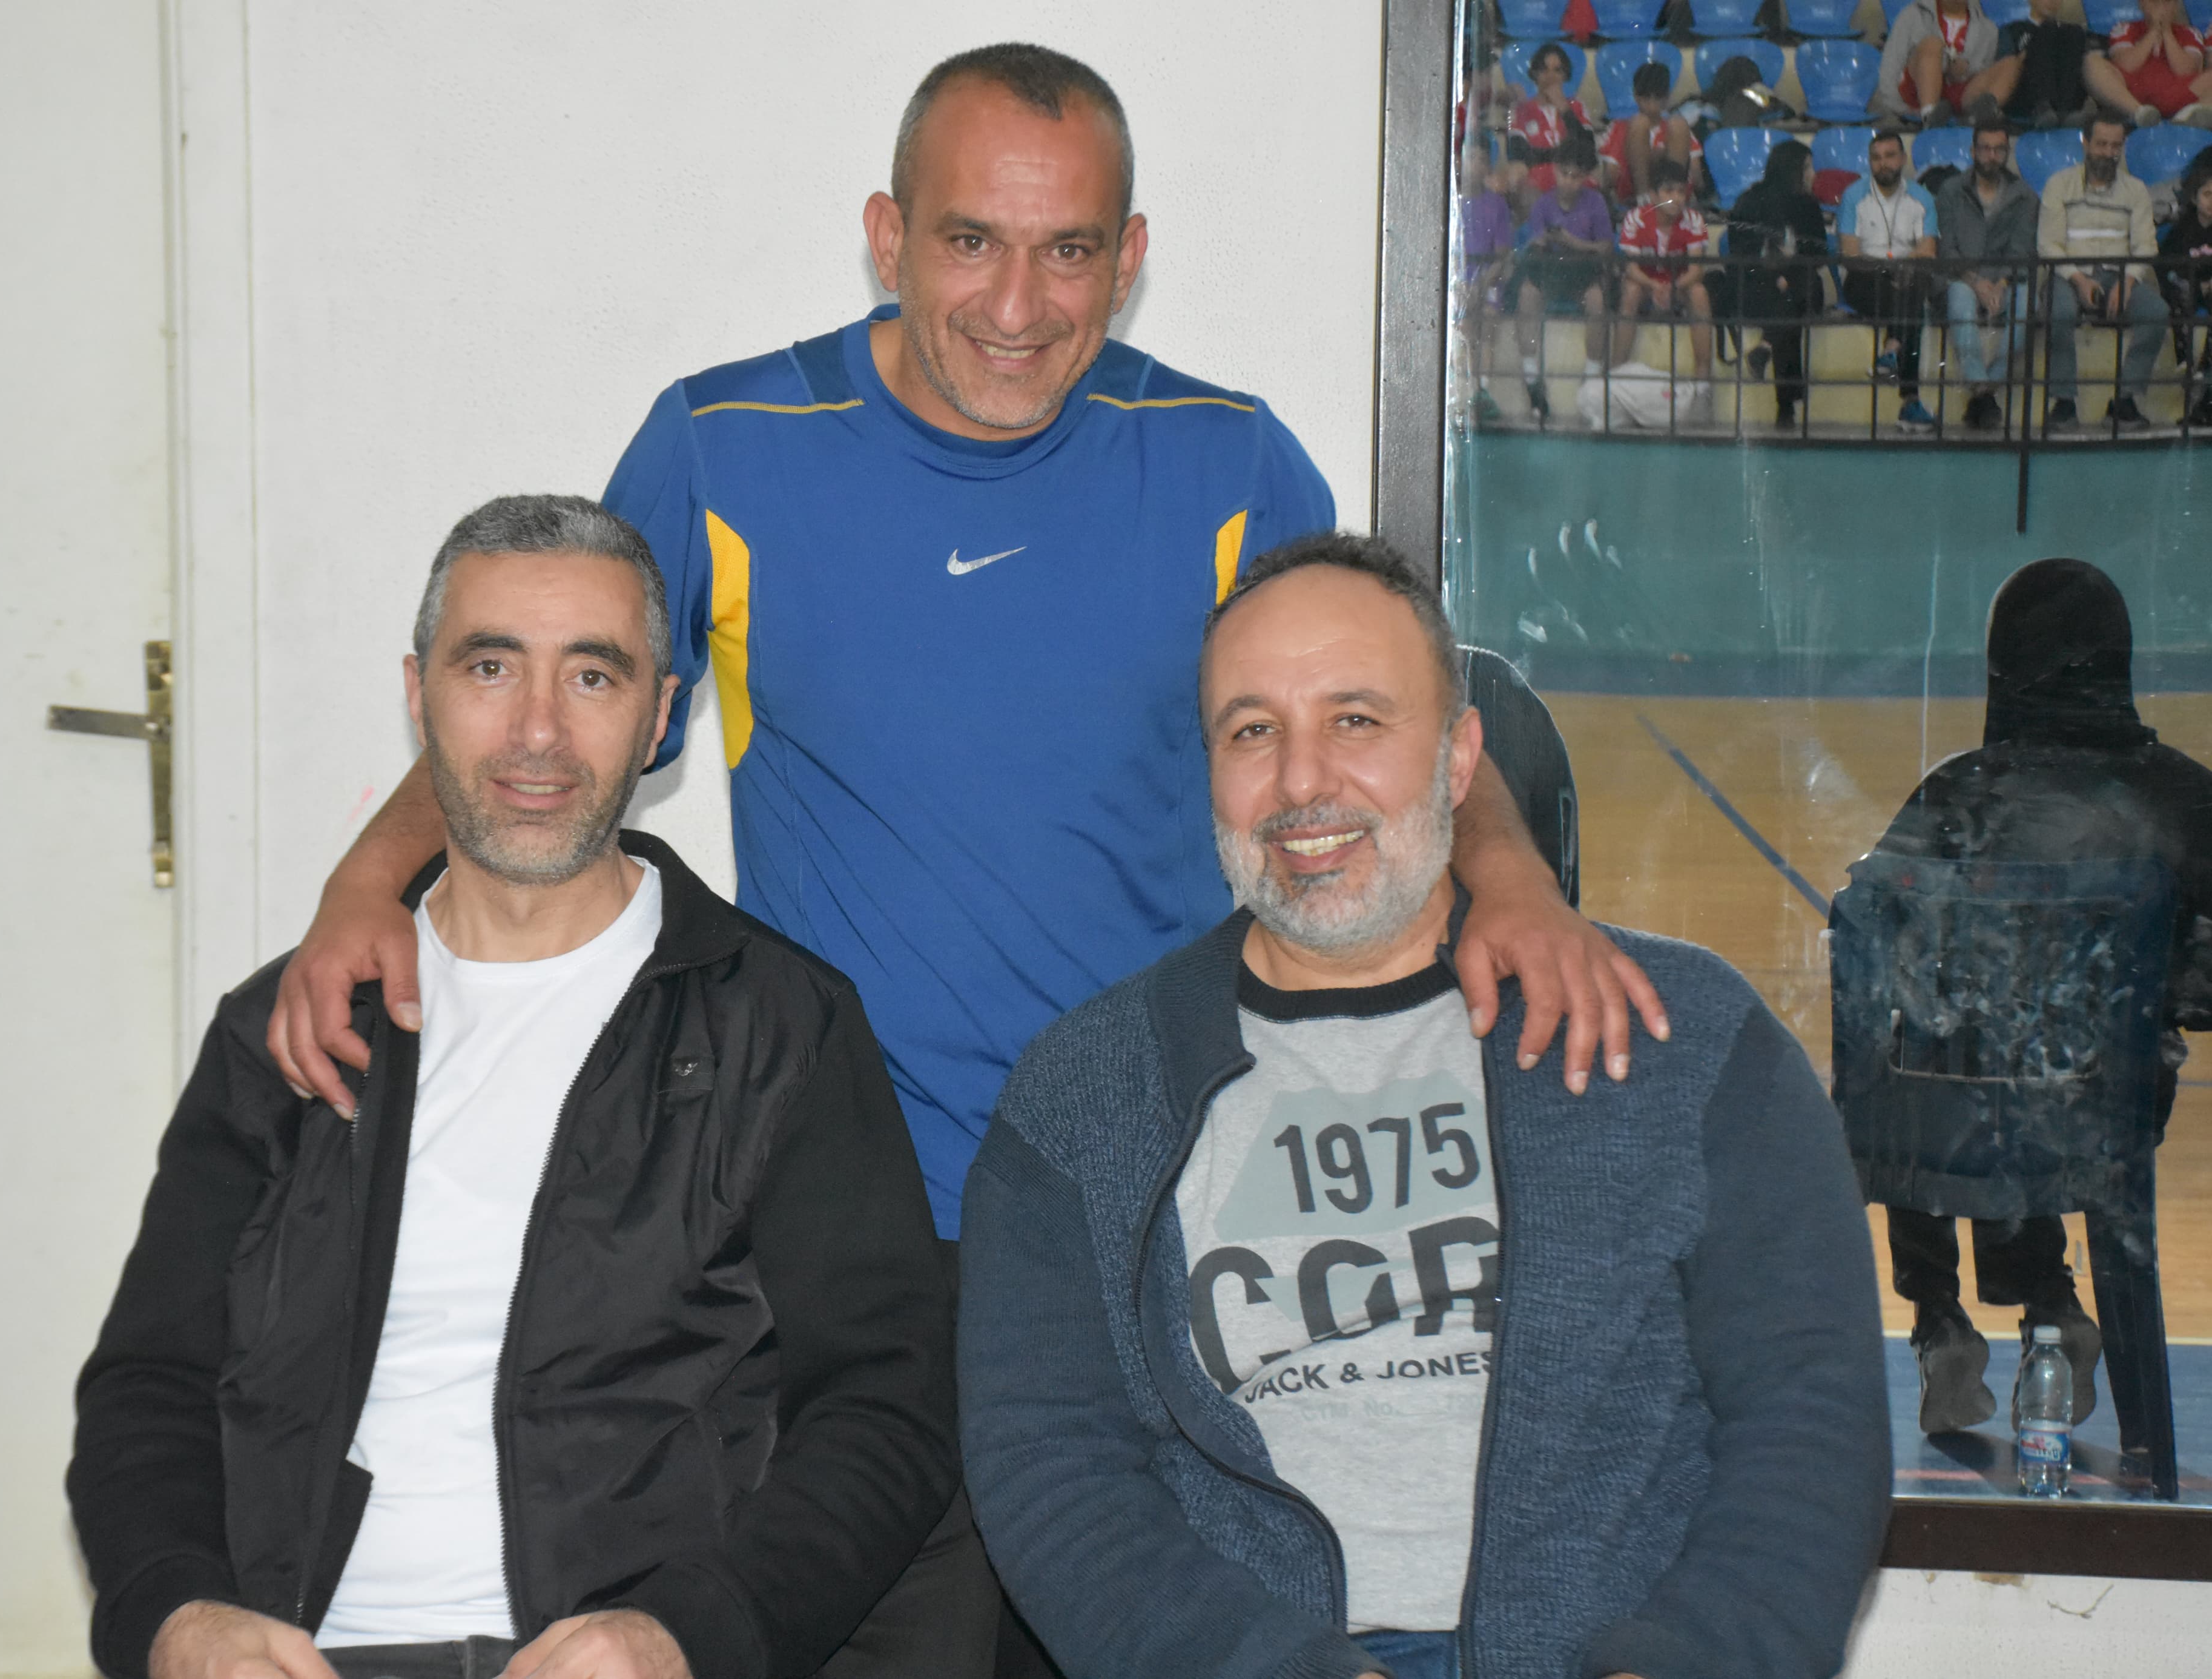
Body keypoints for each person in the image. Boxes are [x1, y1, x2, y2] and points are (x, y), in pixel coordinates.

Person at [266, 45, 1665, 1676]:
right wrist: (363, 886)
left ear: (1128, 260)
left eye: (1067, 250)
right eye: (970, 242)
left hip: (1171, 1216)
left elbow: (1394, 718)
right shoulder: (723, 448)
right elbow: (545, 727)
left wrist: (1519, 886)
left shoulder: (1227, 463)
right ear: (888, 237)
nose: (1017, 303)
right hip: (862, 1238)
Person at [69, 496, 980, 1679]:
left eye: (592, 677)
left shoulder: (779, 1025)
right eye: (490, 667)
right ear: (420, 695)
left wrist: (686, 1635)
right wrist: (178, 1617)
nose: (538, 732)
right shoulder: (289, 1028)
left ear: (660, 716)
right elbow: (151, 1382)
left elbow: (885, 1408)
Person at [958, 532, 1890, 1679]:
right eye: (1252, 731)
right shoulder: (1084, 1097)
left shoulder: (1681, 1036)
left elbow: (1810, 1413)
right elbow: (1053, 1473)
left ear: (1457, 760)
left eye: (1355, 719)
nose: (1302, 783)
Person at [1860, 557, 2212, 1437]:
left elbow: (1872, 936)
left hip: (1947, 1116)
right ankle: (2049, 1307)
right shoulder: (2186, 795)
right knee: (2034, 1078)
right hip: (2107, 1109)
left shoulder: (1959, 788)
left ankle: (1941, 1318)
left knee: (1944, 1058)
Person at [2038, 112, 2172, 432]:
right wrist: (2078, 279)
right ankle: (2064, 402)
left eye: (2116, 146)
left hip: (2118, 274)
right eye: (2101, 144)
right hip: (2067, 274)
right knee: (2060, 313)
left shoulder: (2136, 190)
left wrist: (2128, 282)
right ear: (2085, 144)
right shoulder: (2059, 184)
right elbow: (2048, 245)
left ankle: (2125, 400)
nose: (2109, 153)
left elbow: (2146, 245)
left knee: (2157, 313)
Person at [1719, 139, 1830, 428]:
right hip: (1757, 288)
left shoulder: (1808, 205)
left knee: (1799, 289)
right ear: (1793, 170)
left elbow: (1819, 255)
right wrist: (1772, 276)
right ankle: (1786, 404)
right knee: (1789, 307)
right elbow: (1740, 255)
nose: (1813, 174)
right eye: (1808, 167)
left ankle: (1767, 349)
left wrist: (1788, 272)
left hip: (1796, 285)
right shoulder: (1750, 201)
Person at [1937, 118, 2039, 430]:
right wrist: (1977, 282)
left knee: (2028, 306)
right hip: (1962, 278)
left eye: (1998, 150)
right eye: (1985, 149)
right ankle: (1985, 392)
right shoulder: (1951, 191)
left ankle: (1984, 390)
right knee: (1959, 300)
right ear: (1972, 151)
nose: (1991, 156)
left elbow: (2022, 251)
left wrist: (2001, 283)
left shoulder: (2025, 196)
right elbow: (1947, 250)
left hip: (2007, 281)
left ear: (2007, 153)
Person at [1838, 130, 1943, 434]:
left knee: (1913, 286)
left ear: (1903, 159)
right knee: (1912, 307)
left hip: (1908, 277)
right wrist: (1889, 268)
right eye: (1876, 158)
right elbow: (1850, 254)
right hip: (1865, 280)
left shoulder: (1922, 198)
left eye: (1889, 156)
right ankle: (1910, 401)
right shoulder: (1854, 196)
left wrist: (1903, 267)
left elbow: (1928, 251)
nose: (1883, 163)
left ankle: (1891, 353)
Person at [1514, 133, 1616, 423]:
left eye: (1576, 176)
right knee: (1527, 294)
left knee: (1597, 300)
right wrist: (1542, 241)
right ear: (1556, 171)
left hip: (1583, 273)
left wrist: (1575, 243)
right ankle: (1531, 377)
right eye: (1564, 174)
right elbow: (1533, 243)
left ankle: (1591, 379)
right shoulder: (1543, 204)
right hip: (1551, 272)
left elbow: (1606, 248)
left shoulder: (1596, 202)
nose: (1569, 181)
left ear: (1585, 177)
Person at [1611, 159, 1714, 404]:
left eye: (1681, 192)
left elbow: (1696, 270)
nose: (1676, 198)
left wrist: (1673, 287)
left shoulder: (1694, 219)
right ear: (1653, 195)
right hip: (1647, 286)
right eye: (1669, 191)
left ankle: (1703, 384)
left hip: (1679, 287)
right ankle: (1615, 374)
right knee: (1631, 290)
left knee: (1699, 292)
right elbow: (1631, 268)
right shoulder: (1636, 218)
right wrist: (1655, 286)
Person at [1457, 136, 1518, 427]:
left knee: (1490, 316)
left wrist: (1480, 285)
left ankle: (1483, 392)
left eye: (1483, 160)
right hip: (1458, 282)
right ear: (1460, 161)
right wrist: (1463, 286)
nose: (1477, 165)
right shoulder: (1452, 201)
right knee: (1465, 322)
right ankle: (1467, 392)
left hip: (1488, 279)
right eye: (1472, 158)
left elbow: (1502, 256)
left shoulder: (1497, 205)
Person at [1875, 0, 2011, 126]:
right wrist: (1901, 109)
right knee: (1932, 44)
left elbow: (1984, 72)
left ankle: (1976, 120)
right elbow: (1890, 66)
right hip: (1917, 94)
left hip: (1961, 94)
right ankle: (1930, 117)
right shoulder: (1913, 16)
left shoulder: (1988, 28)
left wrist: (1965, 70)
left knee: (2010, 63)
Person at [2083, 0, 2212, 131]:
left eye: (2167, 2)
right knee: (2092, 61)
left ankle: (2187, 117)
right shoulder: (2124, 28)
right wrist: (2153, 31)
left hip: (2178, 94)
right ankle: (2139, 113)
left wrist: (2167, 32)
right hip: (2134, 93)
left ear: (2176, 7)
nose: (2161, 8)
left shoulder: (2190, 33)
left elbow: (2186, 70)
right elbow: (2127, 65)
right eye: (2154, 2)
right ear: (2142, 5)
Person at [1978, 0, 2098, 128]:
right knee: (2047, 29)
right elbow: (2003, 68)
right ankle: (2042, 106)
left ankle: (2066, 111)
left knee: (2074, 31)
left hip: (2063, 95)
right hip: (2025, 93)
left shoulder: (2070, 34)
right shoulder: (2013, 30)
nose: (2051, 2)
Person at [1597, 61, 1701, 206]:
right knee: (1639, 123)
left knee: (1677, 123)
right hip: (1634, 194)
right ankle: (1644, 200)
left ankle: (1671, 196)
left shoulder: (1679, 128)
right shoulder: (1619, 127)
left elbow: (1696, 178)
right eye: (1646, 97)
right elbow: (1610, 177)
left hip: (1674, 194)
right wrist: (1636, 154)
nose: (1652, 104)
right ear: (1635, 95)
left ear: (1667, 97)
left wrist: (1664, 159)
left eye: (1657, 97)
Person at [1504, 42, 1591, 211]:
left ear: (1565, 75)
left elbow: (1587, 152)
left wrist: (1564, 109)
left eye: (1557, 70)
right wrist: (1563, 153)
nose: (1551, 76)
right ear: (1535, 74)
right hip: (1536, 180)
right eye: (1544, 70)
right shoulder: (1522, 109)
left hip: (1572, 178)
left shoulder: (1577, 108)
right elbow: (1519, 154)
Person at [2161, 149, 2212, 426]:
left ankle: (2206, 365)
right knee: (2178, 297)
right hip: (2185, 286)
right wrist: (2195, 284)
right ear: (2195, 198)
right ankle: (2185, 359)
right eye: (2208, 195)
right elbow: (2169, 264)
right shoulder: (2182, 230)